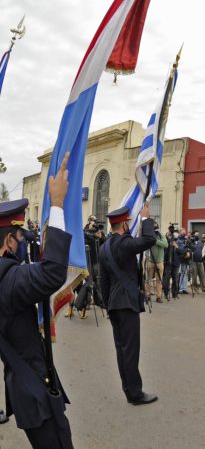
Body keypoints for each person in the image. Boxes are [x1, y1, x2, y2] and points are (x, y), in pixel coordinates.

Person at [0, 158, 73, 448]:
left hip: (23, 380)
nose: (24, 242)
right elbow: (53, 273)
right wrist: (57, 203)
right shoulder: (8, 280)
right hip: (32, 387)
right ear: (9, 241)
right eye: (21, 237)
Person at [98, 204, 158, 406]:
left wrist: (107, 305)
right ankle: (135, 394)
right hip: (127, 305)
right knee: (131, 351)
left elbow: (103, 280)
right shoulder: (124, 243)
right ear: (124, 224)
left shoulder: (104, 247)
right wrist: (146, 218)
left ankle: (129, 389)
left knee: (121, 351)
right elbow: (150, 240)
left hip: (114, 305)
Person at [147, 223, 167, 303]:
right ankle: (147, 295)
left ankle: (158, 296)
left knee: (159, 280)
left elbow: (165, 244)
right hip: (151, 260)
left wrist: (156, 240)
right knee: (148, 279)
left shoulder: (161, 235)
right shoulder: (150, 236)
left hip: (159, 261)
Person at [162, 234, 180, 301]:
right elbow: (164, 253)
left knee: (175, 280)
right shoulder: (167, 245)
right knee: (166, 280)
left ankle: (174, 294)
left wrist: (176, 246)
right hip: (168, 264)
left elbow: (181, 251)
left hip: (175, 265)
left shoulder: (178, 244)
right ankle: (166, 293)